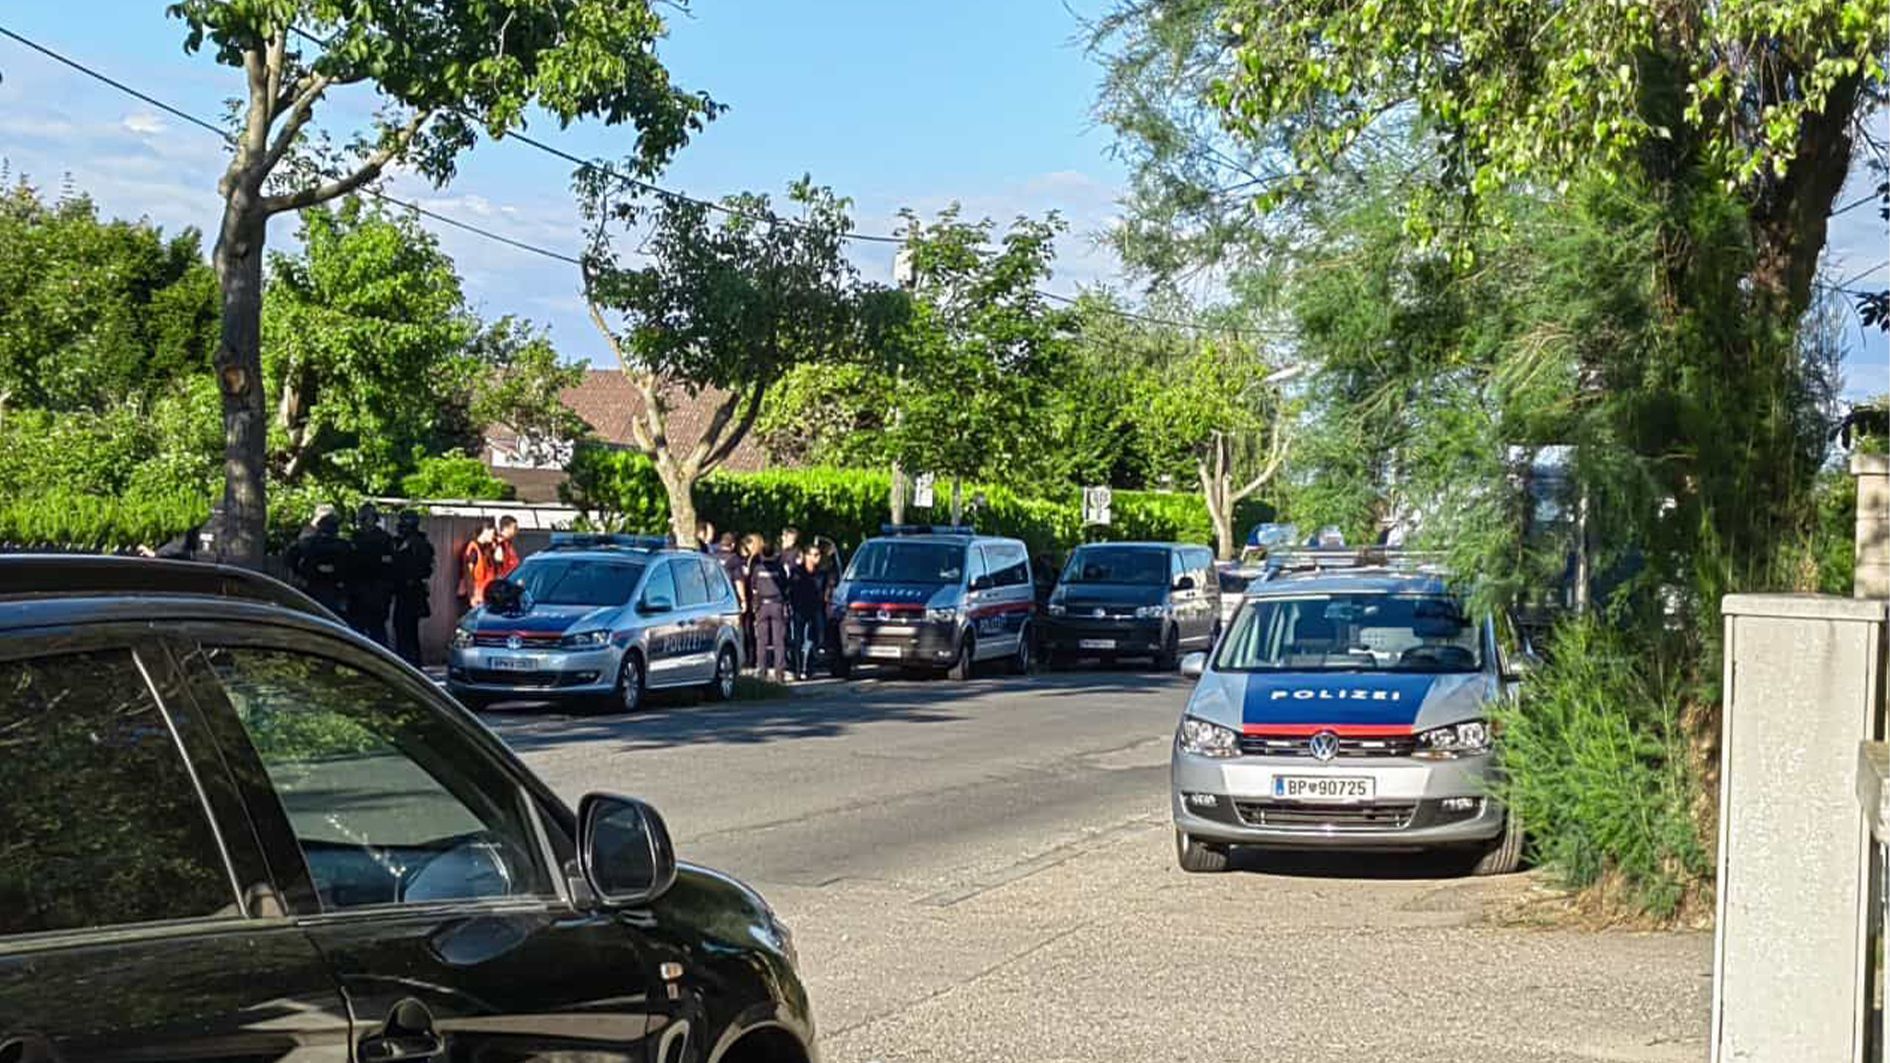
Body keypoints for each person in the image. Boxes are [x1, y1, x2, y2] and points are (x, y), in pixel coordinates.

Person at [344, 503, 396, 646]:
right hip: (358, 593)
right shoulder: (355, 538)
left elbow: (390, 566)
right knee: (356, 633)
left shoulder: (384, 539)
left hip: (377, 593)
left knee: (377, 632)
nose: (363, 523)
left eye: (365, 519)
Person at [390, 509, 435, 667]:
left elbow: (421, 569)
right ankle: (411, 664)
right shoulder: (406, 542)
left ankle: (409, 665)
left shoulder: (417, 544)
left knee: (406, 631)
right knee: (405, 631)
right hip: (405, 592)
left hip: (411, 592)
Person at [746, 534, 791, 684]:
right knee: (779, 640)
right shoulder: (779, 568)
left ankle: (762, 671)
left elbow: (753, 587)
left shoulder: (758, 569)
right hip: (777, 604)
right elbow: (785, 586)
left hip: (762, 606)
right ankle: (780, 673)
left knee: (762, 640)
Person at [290, 510, 350, 616]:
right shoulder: (343, 546)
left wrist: (299, 574)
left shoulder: (308, 544)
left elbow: (291, 557)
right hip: (333, 590)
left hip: (312, 588)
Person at [788, 543, 828, 680]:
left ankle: (810, 668)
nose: (817, 558)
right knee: (798, 640)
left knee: (815, 640)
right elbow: (791, 590)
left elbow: (825, 592)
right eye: (814, 555)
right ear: (806, 556)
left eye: (818, 555)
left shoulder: (822, 573)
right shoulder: (797, 572)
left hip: (816, 609)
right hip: (800, 608)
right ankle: (798, 670)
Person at [460, 525, 497, 612]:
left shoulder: (486, 548)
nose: (494, 536)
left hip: (485, 595)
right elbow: (468, 573)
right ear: (485, 531)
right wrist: (471, 596)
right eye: (493, 532)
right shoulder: (473, 549)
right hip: (476, 596)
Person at [491, 515, 522, 584]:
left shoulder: (508, 543)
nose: (517, 530)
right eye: (514, 528)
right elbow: (498, 566)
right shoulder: (500, 544)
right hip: (506, 580)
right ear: (506, 528)